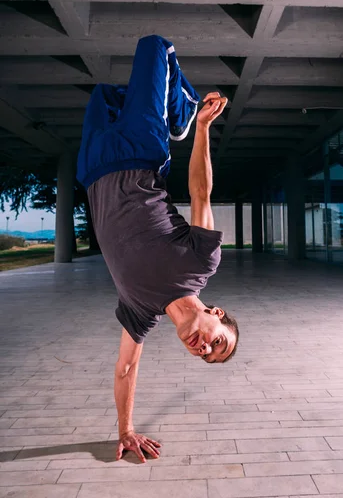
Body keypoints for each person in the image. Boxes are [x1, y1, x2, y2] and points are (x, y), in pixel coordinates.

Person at [77, 35, 239, 463]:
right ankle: (183, 115)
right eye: (217, 343)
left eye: (206, 356)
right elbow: (201, 194)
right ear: (215, 314)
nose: (204, 349)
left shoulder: (140, 312)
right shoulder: (202, 263)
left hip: (93, 168)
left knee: (104, 93)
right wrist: (203, 129)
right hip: (142, 151)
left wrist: (126, 430)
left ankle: (168, 105)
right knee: (154, 46)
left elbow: (126, 369)